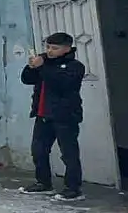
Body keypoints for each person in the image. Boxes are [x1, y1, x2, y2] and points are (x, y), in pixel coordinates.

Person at [20, 32, 87, 201]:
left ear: (66, 48)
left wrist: (42, 67)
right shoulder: (45, 63)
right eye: (48, 47)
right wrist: (31, 67)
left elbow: (61, 84)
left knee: (68, 153)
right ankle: (43, 182)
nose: (49, 51)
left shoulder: (74, 66)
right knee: (39, 151)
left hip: (65, 116)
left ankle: (73, 188)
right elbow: (27, 80)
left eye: (54, 48)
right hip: (43, 115)